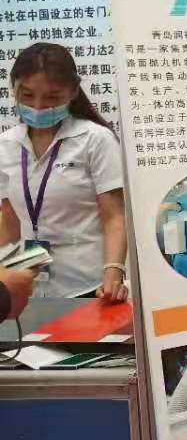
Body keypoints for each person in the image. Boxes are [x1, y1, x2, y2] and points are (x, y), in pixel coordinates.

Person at [0, 43, 128, 301]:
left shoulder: (94, 139)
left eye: (52, 97)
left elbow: (115, 216)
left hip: (87, 283)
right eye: (27, 95)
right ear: (13, 88)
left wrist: (114, 270)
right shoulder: (5, 145)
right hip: (25, 282)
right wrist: (6, 275)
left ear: (72, 91)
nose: (38, 106)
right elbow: (10, 222)